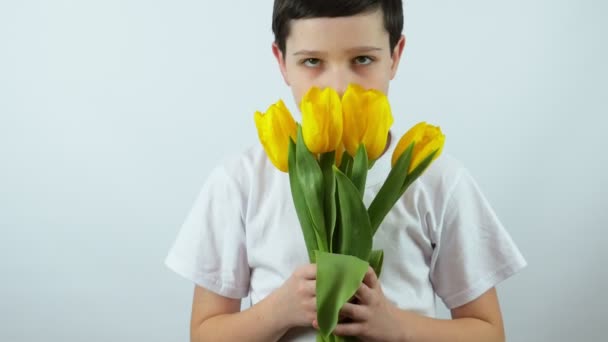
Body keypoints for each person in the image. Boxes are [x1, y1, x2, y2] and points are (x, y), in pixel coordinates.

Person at [165, 1, 527, 341]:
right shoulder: (240, 181)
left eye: (363, 59)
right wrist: (280, 310)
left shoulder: (436, 180)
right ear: (281, 62)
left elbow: (488, 332)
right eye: (311, 62)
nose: (339, 87)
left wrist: (395, 324)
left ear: (395, 57)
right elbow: (205, 332)